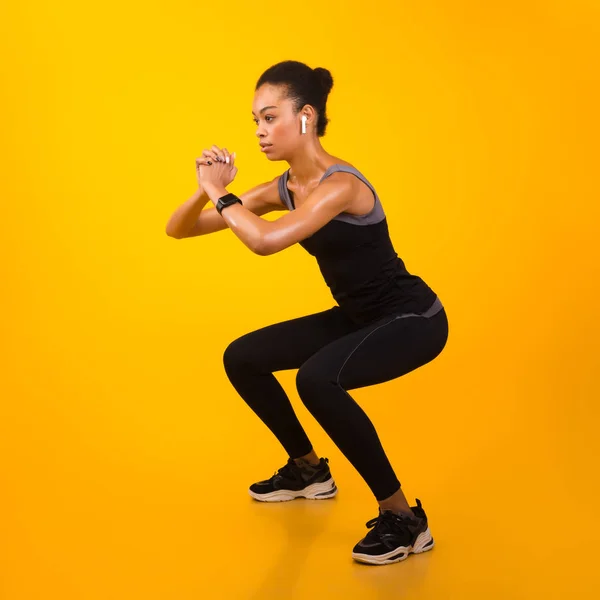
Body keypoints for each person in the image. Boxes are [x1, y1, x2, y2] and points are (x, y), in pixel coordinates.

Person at [165, 60, 449, 566]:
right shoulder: (284, 187)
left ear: (305, 117)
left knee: (317, 379)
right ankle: (308, 470)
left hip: (413, 318)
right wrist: (201, 187)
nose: (259, 131)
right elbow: (181, 229)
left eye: (270, 118)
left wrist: (220, 192)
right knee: (243, 357)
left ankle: (404, 519)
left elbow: (265, 240)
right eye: (255, 120)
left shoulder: (342, 186)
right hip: (359, 316)